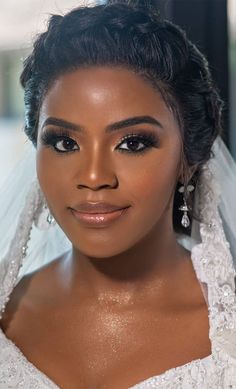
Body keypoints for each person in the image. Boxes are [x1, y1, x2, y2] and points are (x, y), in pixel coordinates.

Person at [0, 1, 236, 388]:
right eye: (63, 142)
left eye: (132, 143)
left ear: (188, 158)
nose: (94, 176)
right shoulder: (6, 316)